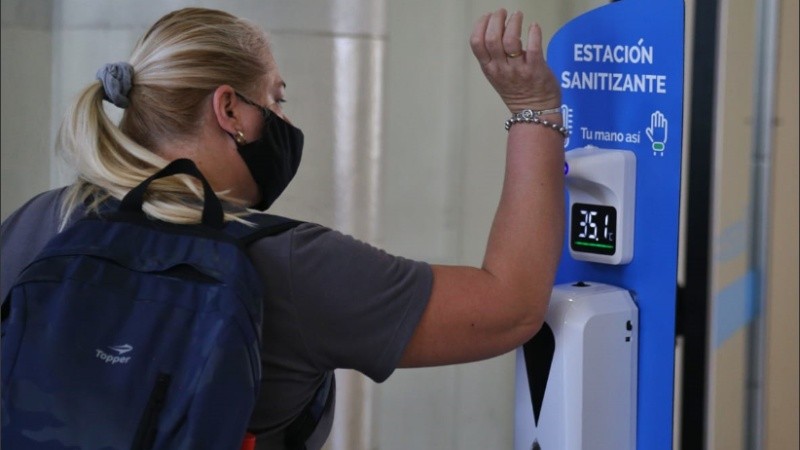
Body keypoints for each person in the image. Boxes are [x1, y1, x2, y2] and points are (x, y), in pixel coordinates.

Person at [0, 6, 565, 450]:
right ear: (230, 112)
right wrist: (533, 109)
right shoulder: (287, 262)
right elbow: (509, 305)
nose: (285, 122)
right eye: (276, 99)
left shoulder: (40, 222)